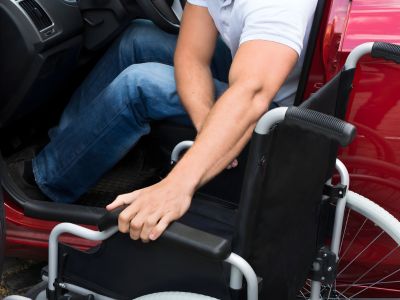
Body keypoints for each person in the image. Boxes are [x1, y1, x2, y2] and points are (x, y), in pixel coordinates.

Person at [23, 0, 317, 242]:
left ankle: (49, 183)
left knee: (139, 83)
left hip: (275, 109)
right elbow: (191, 55)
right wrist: (206, 123)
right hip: (246, 69)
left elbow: (252, 95)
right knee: (137, 38)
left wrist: (176, 188)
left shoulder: (278, 6)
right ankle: (65, 145)